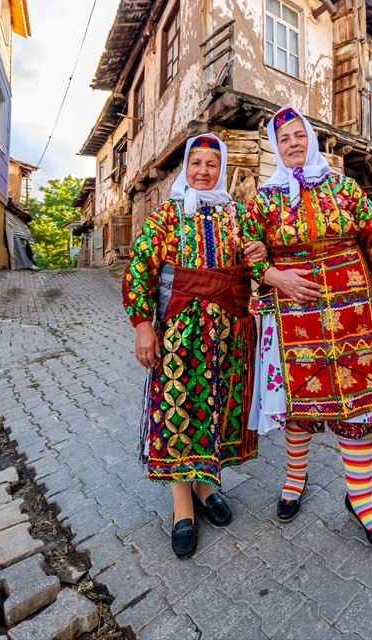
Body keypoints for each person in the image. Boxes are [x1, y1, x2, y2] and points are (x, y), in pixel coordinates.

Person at [245, 105, 372, 557]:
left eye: (299, 135)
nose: (294, 143)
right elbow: (247, 250)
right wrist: (275, 276)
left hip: (353, 311)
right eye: (284, 139)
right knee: (297, 401)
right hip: (292, 315)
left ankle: (361, 500)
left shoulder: (345, 188)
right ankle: (294, 480)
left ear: (312, 138)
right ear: (276, 148)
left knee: (355, 404)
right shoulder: (265, 199)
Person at [123, 133, 265, 559]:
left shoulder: (237, 215)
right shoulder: (166, 217)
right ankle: (182, 507)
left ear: (221, 169)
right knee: (180, 413)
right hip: (181, 337)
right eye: (196, 163)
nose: (204, 171)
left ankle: (206, 487)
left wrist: (260, 250)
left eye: (212, 164)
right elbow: (139, 273)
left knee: (216, 411)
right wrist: (142, 326)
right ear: (185, 168)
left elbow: (260, 263)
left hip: (229, 336)